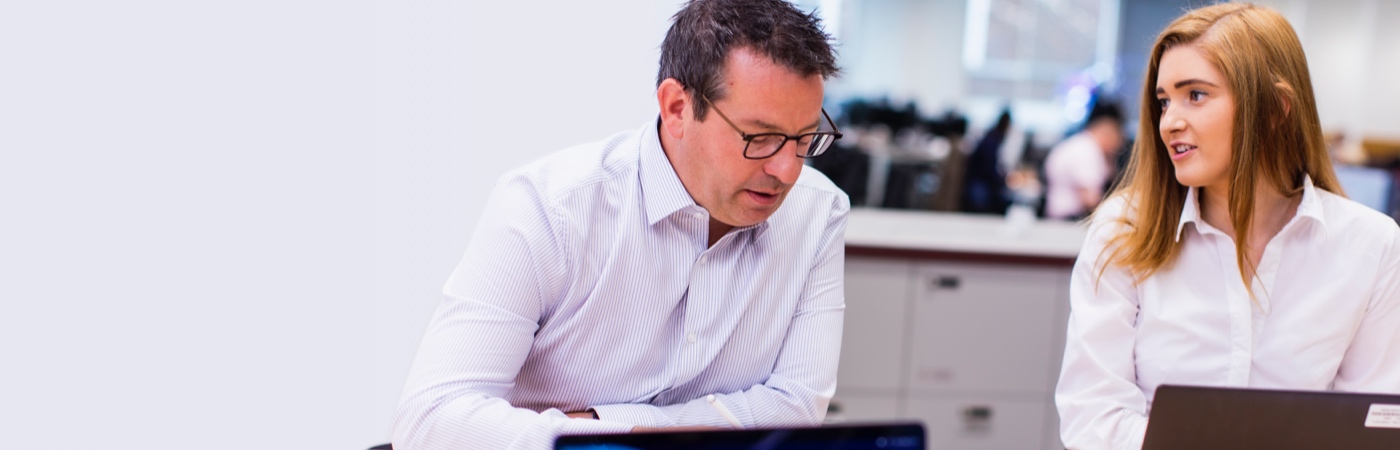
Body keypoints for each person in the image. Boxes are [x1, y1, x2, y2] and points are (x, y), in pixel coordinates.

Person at [390, 1, 848, 449]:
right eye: (760, 138)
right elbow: (432, 418)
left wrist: (605, 426)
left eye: (805, 139)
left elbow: (796, 409)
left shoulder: (818, 212)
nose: (788, 171)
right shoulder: (550, 207)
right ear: (676, 108)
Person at [1055, 3, 1400, 449]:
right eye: (1163, 101)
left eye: (1195, 95)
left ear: (1275, 108)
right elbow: (1093, 418)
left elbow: (1371, 426)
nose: (1169, 122)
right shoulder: (1123, 229)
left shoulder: (1370, 244)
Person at [1043, 101, 1125, 220]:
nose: (1120, 143)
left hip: (1059, 217)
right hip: (1069, 220)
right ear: (1108, 131)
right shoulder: (1088, 151)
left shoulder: (1078, 144)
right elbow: (1089, 200)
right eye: (1119, 135)